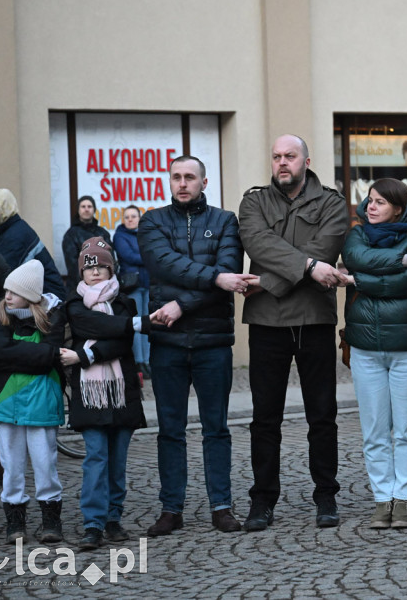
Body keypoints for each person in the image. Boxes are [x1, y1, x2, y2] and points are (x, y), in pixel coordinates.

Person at [238, 134, 349, 531]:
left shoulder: (332, 203)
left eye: (290, 156)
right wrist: (306, 267)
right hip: (267, 324)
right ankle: (262, 500)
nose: (282, 162)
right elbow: (257, 242)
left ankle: (326, 497)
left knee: (323, 416)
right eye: (276, 157)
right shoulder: (253, 202)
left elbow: (328, 248)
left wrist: (267, 282)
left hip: (314, 320)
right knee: (265, 418)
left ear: (306, 160)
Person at [138, 155, 251, 536]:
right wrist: (215, 282)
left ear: (204, 182)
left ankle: (222, 506)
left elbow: (229, 273)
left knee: (216, 427)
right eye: (176, 177)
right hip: (167, 342)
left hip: (212, 341)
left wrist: (180, 303)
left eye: (190, 177)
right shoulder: (153, 220)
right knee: (170, 429)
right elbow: (163, 264)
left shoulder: (224, 221)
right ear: (168, 182)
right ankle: (172, 509)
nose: (182, 183)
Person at [341, 179, 407, 528]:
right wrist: (404, 260)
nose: (371, 207)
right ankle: (382, 500)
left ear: (398, 207)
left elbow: (406, 283)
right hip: (365, 346)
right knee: (374, 430)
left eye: (380, 202)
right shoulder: (357, 236)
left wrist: (360, 280)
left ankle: (404, 499)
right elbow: (355, 258)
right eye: (370, 201)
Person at [61, 238, 148, 550]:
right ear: (81, 272)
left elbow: (122, 343)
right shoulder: (73, 305)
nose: (95, 272)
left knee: (117, 460)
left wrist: (87, 354)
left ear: (111, 268)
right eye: (89, 267)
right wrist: (121, 328)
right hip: (89, 393)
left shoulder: (126, 304)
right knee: (96, 456)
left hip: (122, 390)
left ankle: (113, 518)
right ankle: (93, 523)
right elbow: (96, 328)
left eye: (100, 266)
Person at [0, 259, 67, 544]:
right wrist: (21, 355)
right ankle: (15, 523)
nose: (6, 296)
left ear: (31, 295)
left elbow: (47, 358)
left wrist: (9, 356)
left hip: (41, 401)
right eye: (6, 290)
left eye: (14, 291)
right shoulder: (1, 316)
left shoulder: (53, 316)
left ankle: (50, 520)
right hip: (5, 404)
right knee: (11, 465)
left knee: (45, 464)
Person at [0, 189, 66, 299]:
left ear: (2, 211)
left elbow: (5, 278)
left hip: (48, 300)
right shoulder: (12, 229)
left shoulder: (14, 235)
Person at [113, 205, 150, 375]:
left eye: (133, 216)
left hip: (148, 285)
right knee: (136, 325)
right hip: (132, 286)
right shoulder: (119, 235)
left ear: (139, 218)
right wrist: (147, 257)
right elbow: (128, 256)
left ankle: (147, 361)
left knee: (147, 324)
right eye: (127, 216)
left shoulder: (145, 234)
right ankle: (138, 362)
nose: (130, 219)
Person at [61, 195, 113, 288]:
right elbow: (72, 265)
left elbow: (110, 259)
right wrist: (87, 285)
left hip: (104, 286)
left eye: (89, 206)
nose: (86, 209)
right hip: (79, 287)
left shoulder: (103, 233)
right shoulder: (71, 234)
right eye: (83, 206)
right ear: (78, 210)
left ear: (94, 210)